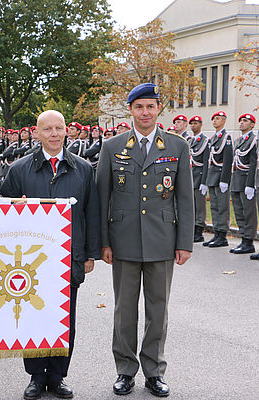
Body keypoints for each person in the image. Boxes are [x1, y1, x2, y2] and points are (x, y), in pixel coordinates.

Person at [96, 83, 193, 397]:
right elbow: (102, 197)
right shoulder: (112, 147)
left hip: (162, 240)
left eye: (150, 106)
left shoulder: (177, 146)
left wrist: (184, 243)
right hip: (122, 240)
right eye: (139, 107)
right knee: (125, 310)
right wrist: (104, 242)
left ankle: (154, 371)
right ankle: (125, 370)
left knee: (158, 310)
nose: (146, 112)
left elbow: (186, 198)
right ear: (131, 111)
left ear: (157, 109)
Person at [0, 110, 100, 400]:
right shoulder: (19, 169)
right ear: (37, 132)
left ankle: (57, 376)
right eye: (48, 129)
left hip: (69, 257)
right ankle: (35, 376)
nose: (54, 134)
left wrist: (90, 254)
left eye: (59, 128)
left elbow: (90, 213)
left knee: (64, 320)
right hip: (29, 261)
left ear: (66, 131)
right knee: (32, 318)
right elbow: (3, 212)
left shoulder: (83, 168)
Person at [203, 111, 233, 248]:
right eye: (214, 118)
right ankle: (216, 232)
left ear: (224, 121)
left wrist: (225, 179)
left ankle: (222, 234)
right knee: (214, 206)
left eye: (218, 118)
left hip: (221, 175)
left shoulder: (226, 137)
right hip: (213, 175)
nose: (215, 121)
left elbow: (227, 160)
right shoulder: (214, 137)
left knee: (222, 207)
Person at [229, 114, 257, 254]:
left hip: (246, 180)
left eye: (245, 121)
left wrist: (250, 184)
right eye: (240, 120)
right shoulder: (239, 140)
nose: (241, 123)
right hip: (237, 180)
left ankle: (249, 241)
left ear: (252, 124)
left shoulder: (253, 140)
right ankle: (243, 238)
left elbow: (253, 163)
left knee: (249, 212)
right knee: (239, 212)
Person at [188, 115, 210, 243]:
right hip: (192, 176)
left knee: (200, 206)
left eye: (196, 123)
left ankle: (199, 230)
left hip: (200, 176)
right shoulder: (190, 141)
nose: (193, 126)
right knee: (192, 206)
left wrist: (204, 181)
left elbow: (206, 162)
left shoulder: (204, 141)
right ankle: (193, 228)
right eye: (191, 123)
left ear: (200, 125)